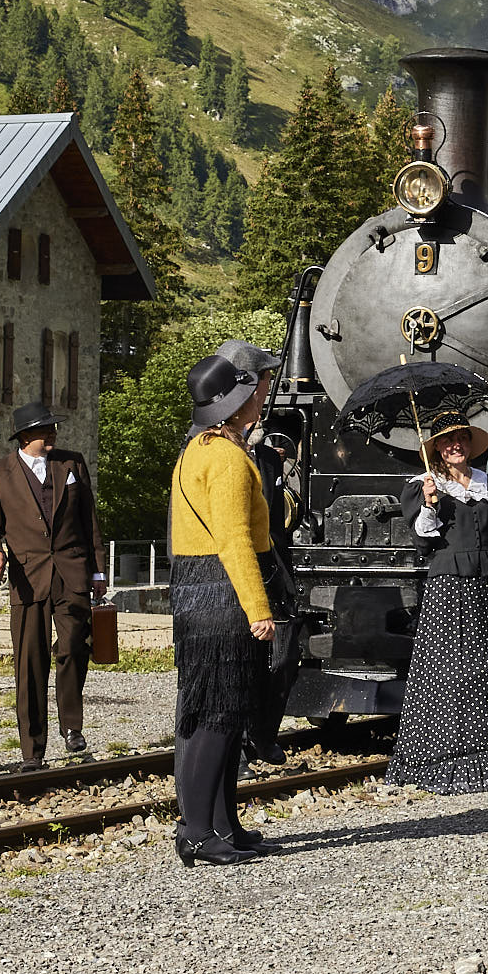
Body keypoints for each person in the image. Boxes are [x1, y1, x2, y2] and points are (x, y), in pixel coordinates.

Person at [167, 352, 279, 863]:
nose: (264, 393)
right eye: (259, 387)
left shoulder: (203, 448)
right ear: (239, 399)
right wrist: (258, 607)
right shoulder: (228, 457)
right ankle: (195, 830)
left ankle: (221, 824)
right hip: (221, 588)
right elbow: (234, 538)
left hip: (201, 584)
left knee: (218, 709)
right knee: (214, 712)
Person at [384, 408, 488, 793]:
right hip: (450, 589)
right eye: (446, 441)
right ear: (436, 449)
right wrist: (430, 505)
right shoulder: (423, 485)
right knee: (449, 673)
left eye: (460, 438)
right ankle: (447, 758)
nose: (455, 445)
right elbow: (423, 542)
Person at [0, 401, 103, 770]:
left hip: (72, 571)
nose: (53, 435)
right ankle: (32, 748)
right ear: (25, 435)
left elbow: (88, 517)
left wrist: (97, 570)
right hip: (27, 578)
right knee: (30, 663)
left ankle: (71, 727)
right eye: (45, 430)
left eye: (54, 430)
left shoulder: (72, 463)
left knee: (75, 647)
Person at [216, 337, 303, 762]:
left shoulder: (269, 458)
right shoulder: (208, 450)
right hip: (231, 575)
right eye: (264, 380)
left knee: (285, 655)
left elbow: (283, 515)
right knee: (239, 665)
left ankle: (263, 733)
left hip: (274, 568)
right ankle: (236, 748)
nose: (268, 389)